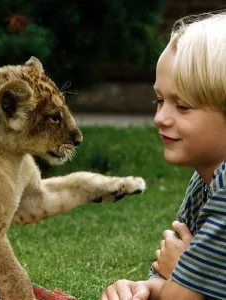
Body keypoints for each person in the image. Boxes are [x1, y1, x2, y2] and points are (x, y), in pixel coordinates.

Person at [100, 11, 226, 300]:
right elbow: (171, 281)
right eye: (160, 100)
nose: (160, 118)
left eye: (182, 106)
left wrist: (179, 272)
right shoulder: (204, 180)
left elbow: (180, 296)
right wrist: (141, 289)